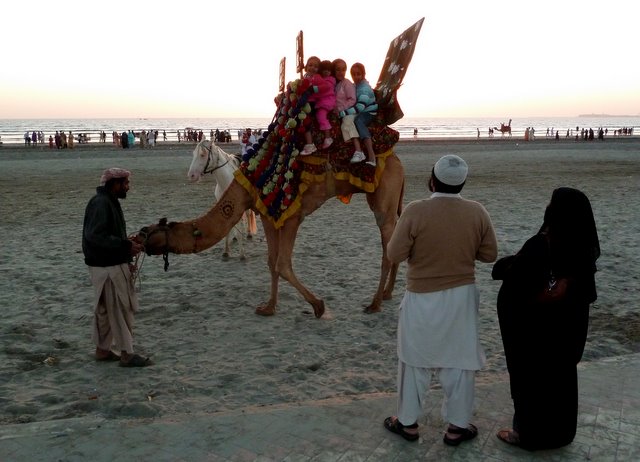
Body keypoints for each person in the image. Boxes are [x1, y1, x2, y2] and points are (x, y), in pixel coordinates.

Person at [383, 155, 498, 446]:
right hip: (461, 297)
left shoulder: (415, 211)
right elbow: (489, 255)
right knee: (459, 361)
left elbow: (394, 254)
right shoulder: (477, 212)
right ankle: (457, 428)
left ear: (432, 180)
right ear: (462, 183)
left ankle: (407, 424)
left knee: (414, 360)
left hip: (421, 297)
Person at [492, 187, 600, 450]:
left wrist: (505, 266)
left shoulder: (542, 243)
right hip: (567, 335)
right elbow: (588, 292)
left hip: (536, 335)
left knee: (532, 381)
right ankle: (561, 434)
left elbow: (516, 275)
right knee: (561, 380)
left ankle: (527, 435)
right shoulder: (582, 249)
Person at [82, 168, 152, 367]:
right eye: (125, 184)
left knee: (105, 311)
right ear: (115, 184)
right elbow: (95, 237)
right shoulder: (101, 204)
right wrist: (125, 246)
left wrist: (126, 247)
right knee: (120, 308)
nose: (128, 187)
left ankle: (102, 351)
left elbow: (104, 236)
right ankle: (127, 354)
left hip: (105, 264)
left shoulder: (106, 202)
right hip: (107, 267)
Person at [341, 63, 378, 167]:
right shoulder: (356, 85)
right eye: (353, 74)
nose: (356, 77)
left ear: (363, 74)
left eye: (358, 74)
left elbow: (360, 107)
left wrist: (344, 112)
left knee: (358, 121)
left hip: (368, 112)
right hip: (362, 110)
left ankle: (371, 156)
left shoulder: (364, 89)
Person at [300, 57, 336, 155]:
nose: (312, 68)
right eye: (310, 65)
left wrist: (313, 89)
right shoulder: (305, 77)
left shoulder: (317, 77)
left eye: (316, 66)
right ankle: (309, 144)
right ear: (306, 66)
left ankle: (310, 144)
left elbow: (326, 87)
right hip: (305, 102)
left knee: (305, 120)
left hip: (311, 103)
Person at [332, 58, 358, 149]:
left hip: (348, 111)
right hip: (338, 113)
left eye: (343, 70)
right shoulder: (334, 84)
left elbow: (352, 100)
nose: (341, 72)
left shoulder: (347, 83)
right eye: (338, 69)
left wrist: (340, 108)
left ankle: (357, 148)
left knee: (347, 124)